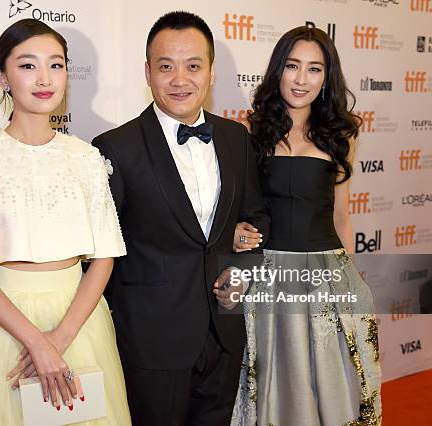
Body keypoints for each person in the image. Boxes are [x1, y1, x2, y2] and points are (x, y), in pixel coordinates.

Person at [0, 19, 131, 425]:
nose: (44, 78)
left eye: (56, 65)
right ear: (3, 77)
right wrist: (38, 344)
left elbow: (105, 256)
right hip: (1, 325)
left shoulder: (85, 158)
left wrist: (60, 338)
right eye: (28, 66)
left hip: (79, 322)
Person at [92, 11, 269, 425]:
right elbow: (99, 253)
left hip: (224, 333)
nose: (179, 79)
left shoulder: (234, 138)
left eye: (193, 66)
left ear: (211, 73)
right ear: (148, 72)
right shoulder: (114, 147)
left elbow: (256, 220)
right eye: (165, 66)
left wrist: (241, 271)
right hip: (152, 340)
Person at [230, 26, 382, 425]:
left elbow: (343, 214)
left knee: (331, 388)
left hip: (327, 277)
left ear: (326, 78)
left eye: (314, 69)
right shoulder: (250, 132)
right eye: (293, 66)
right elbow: (240, 210)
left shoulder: (342, 134)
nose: (302, 79)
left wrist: (352, 280)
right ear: (277, 70)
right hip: (268, 276)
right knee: (276, 387)